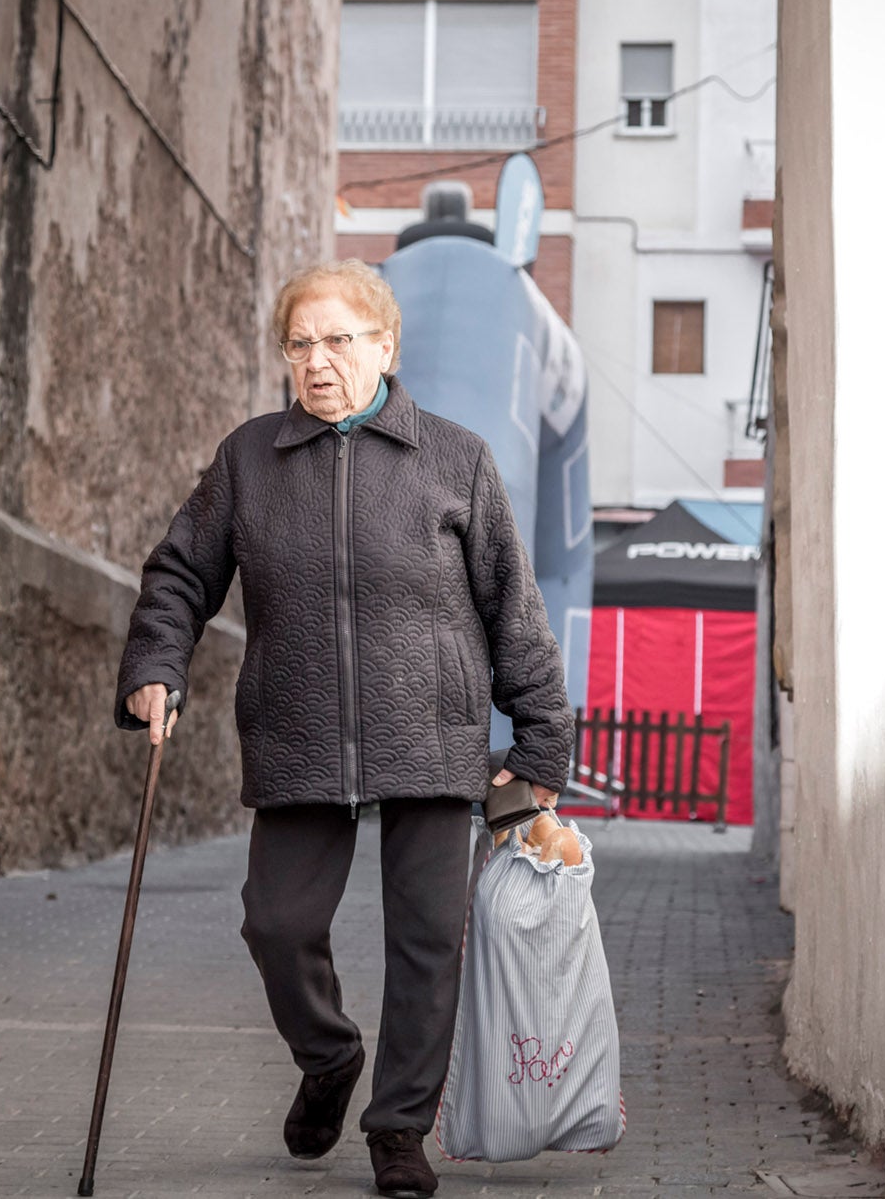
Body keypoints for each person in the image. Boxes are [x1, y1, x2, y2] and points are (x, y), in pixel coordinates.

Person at [114, 259, 572, 1199]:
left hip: (433, 736)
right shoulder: (249, 459)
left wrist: (537, 744)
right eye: (301, 343)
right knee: (277, 922)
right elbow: (178, 574)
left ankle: (400, 1128)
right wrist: (157, 664)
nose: (317, 362)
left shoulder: (456, 460)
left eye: (339, 340)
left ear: (386, 346)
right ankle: (328, 1056)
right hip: (296, 730)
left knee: (427, 942)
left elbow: (513, 609)